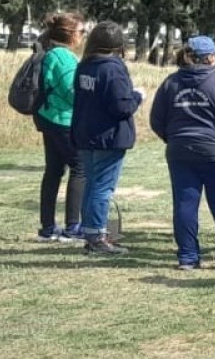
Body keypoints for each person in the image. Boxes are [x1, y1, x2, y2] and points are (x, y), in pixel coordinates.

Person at [150, 36, 215, 269]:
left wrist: (173, 138)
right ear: (211, 58)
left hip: (180, 150)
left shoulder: (171, 83)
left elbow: (156, 119)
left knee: (185, 203)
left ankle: (188, 257)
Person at [69, 22, 142, 255]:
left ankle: (91, 233)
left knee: (92, 185)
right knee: (102, 188)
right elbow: (122, 107)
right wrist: (138, 96)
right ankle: (97, 237)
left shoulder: (84, 66)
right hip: (108, 136)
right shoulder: (113, 69)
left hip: (85, 133)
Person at [33, 13, 85, 242]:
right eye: (81, 32)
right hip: (64, 120)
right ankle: (73, 226)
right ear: (70, 34)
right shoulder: (64, 57)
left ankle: (47, 227)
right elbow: (72, 92)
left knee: (53, 171)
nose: (83, 36)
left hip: (48, 117)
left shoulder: (49, 52)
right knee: (80, 168)